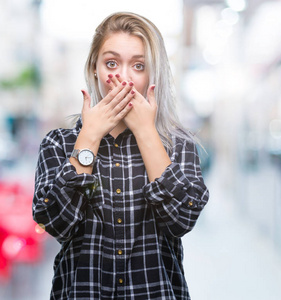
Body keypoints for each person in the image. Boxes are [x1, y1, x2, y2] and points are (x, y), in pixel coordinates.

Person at [33, 12, 209, 300]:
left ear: (153, 74)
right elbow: (55, 224)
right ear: (94, 69)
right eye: (111, 63)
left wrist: (146, 132)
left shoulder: (178, 145)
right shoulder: (58, 144)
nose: (123, 78)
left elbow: (181, 221)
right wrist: (89, 138)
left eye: (138, 66)